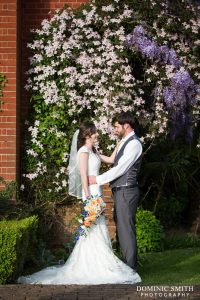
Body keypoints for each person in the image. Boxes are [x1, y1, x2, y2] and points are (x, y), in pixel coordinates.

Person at [17, 121, 141, 285]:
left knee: (99, 227)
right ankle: (90, 265)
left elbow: (111, 160)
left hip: (97, 191)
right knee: (91, 229)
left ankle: (99, 264)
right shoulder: (83, 152)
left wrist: (120, 143)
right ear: (87, 135)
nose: (97, 134)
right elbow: (83, 176)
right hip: (90, 192)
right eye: (94, 132)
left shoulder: (94, 151)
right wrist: (89, 198)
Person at [88, 111, 143, 272]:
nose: (114, 129)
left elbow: (120, 169)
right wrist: (93, 153)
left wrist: (96, 179)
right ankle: (126, 265)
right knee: (122, 229)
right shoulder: (123, 141)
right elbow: (112, 160)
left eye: (117, 126)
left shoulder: (134, 144)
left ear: (126, 126)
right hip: (120, 191)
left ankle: (131, 268)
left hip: (127, 191)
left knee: (126, 230)